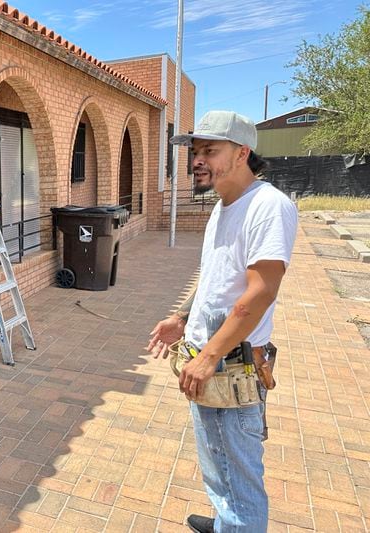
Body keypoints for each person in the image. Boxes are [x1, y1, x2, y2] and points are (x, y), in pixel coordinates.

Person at [146, 110, 298, 533]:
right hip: (212, 363)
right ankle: (225, 523)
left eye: (209, 151)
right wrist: (182, 316)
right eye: (195, 152)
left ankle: (237, 524)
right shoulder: (224, 205)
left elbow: (261, 291)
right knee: (220, 466)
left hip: (231, 365)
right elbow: (216, 279)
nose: (198, 160)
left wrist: (209, 355)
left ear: (242, 153)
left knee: (240, 478)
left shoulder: (267, 206)